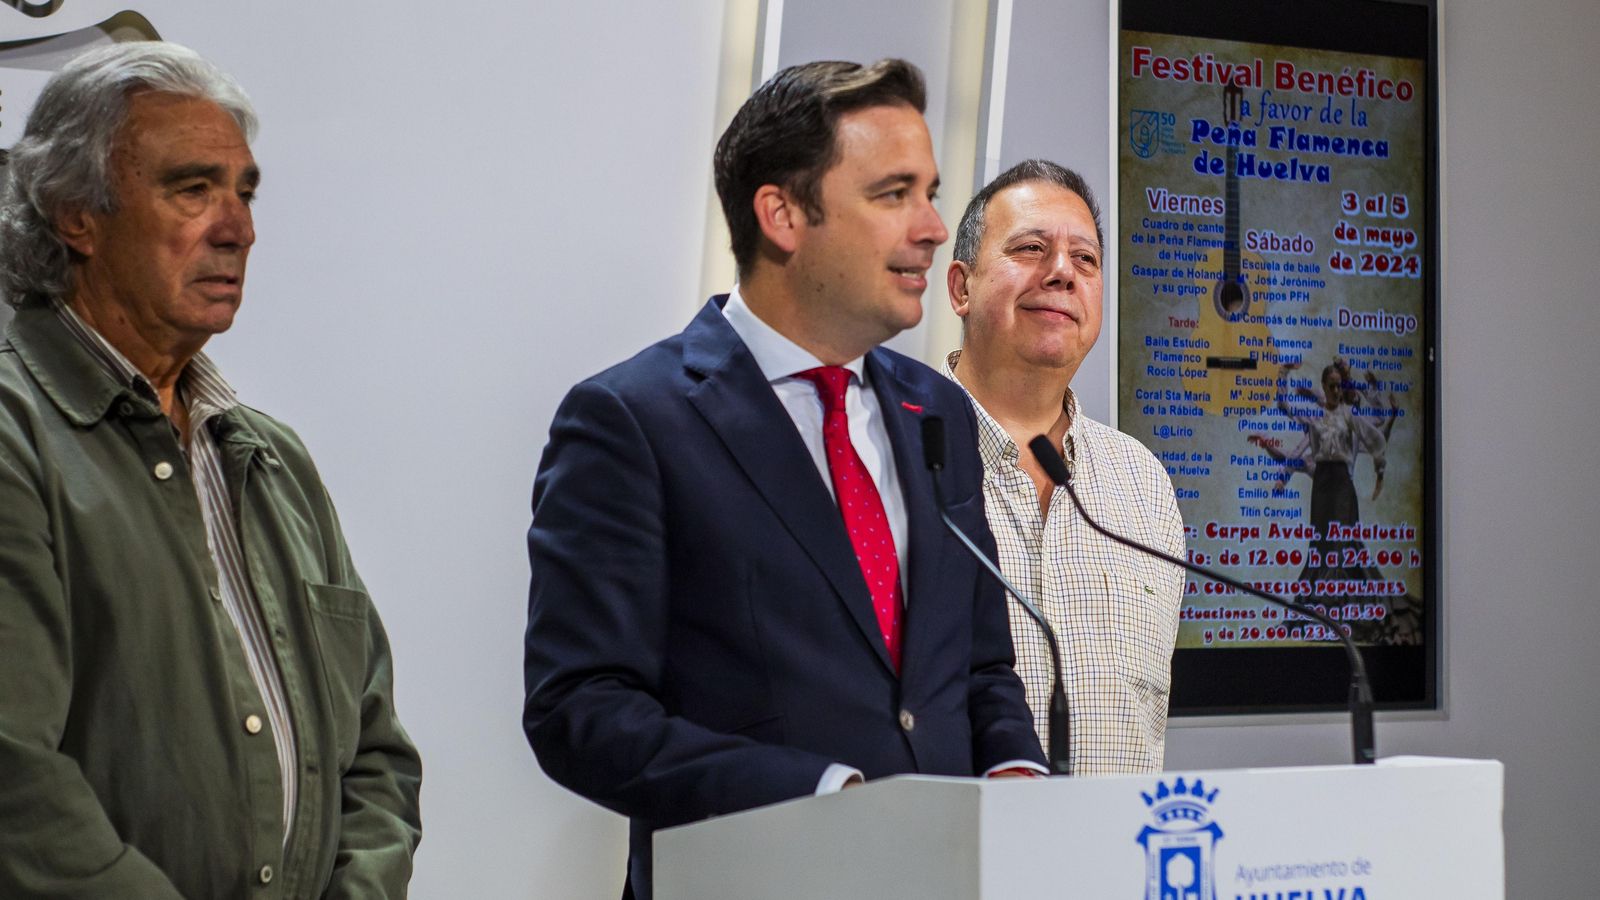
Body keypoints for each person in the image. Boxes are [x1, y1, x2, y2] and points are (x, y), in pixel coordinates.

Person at [523, 59, 1045, 899]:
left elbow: (978, 666)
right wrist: (819, 795)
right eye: (894, 194)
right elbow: (581, 711)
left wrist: (1015, 766)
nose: (933, 228)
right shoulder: (633, 420)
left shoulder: (937, 410)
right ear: (783, 215)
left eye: (931, 193)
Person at [0, 42, 421, 897]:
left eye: (245, 192)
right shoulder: (16, 435)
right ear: (75, 213)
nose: (239, 228)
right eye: (193, 189)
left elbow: (376, 757)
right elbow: (15, 780)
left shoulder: (272, 458)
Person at [942, 159, 1184, 774]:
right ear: (961, 288)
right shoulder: (896, 456)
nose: (1061, 273)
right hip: (956, 834)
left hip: (1118, 835)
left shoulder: (1143, 482)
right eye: (1030, 248)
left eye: (1085, 259)